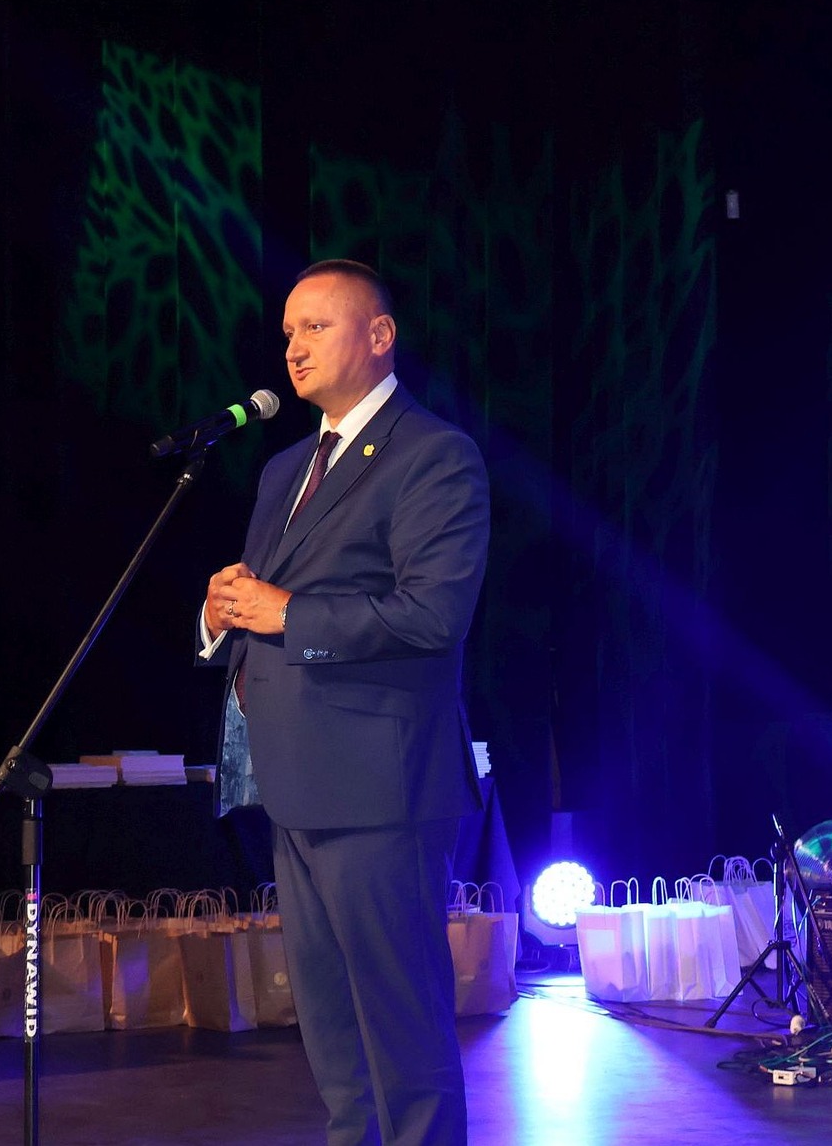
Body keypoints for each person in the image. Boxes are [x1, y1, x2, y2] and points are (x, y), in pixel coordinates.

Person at [199, 259, 489, 1145]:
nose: (294, 347)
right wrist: (221, 615)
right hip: (292, 783)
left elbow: (432, 614)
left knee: (400, 1025)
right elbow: (265, 604)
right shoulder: (285, 467)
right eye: (288, 332)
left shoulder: (433, 454)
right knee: (330, 1028)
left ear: (380, 334)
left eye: (316, 327)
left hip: (379, 787)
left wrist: (289, 613)